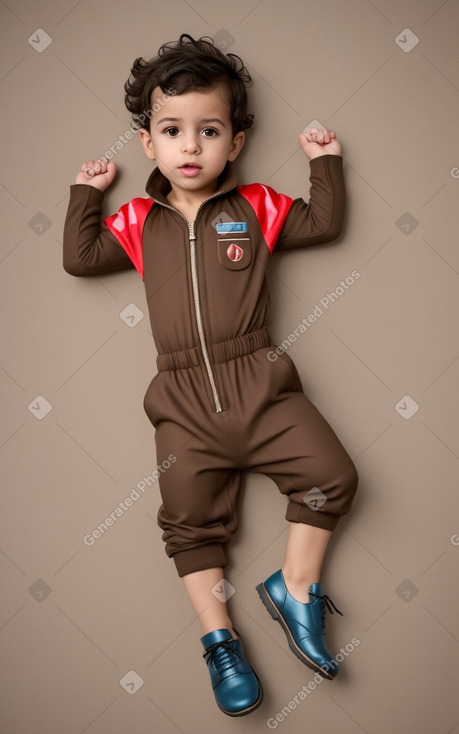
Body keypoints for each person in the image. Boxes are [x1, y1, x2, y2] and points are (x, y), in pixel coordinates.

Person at [63, 33, 358, 717]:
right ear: (149, 145)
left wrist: (326, 162)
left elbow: (324, 222)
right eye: (172, 130)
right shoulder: (139, 221)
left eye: (209, 130)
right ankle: (219, 640)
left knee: (332, 476)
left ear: (236, 142)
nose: (190, 146)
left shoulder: (255, 208)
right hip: (182, 406)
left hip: (260, 382)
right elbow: (81, 257)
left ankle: (295, 587)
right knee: (189, 525)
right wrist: (85, 192)